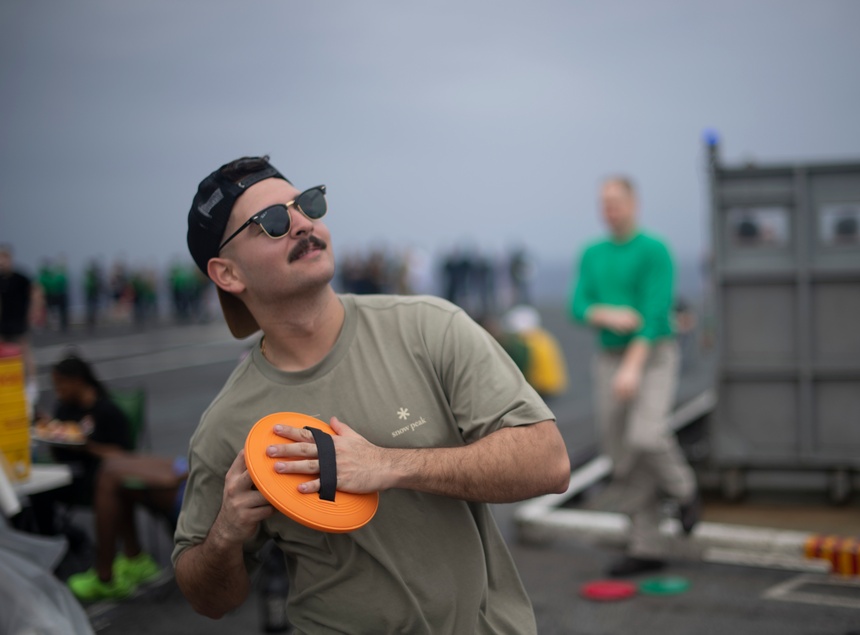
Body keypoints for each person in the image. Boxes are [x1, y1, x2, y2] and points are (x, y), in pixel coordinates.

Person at [175, 156, 570, 633]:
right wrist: (224, 537)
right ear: (228, 274)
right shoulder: (226, 424)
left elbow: (547, 462)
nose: (302, 223)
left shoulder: (428, 327)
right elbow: (207, 598)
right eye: (272, 223)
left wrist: (388, 464)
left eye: (307, 204)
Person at [569, 175, 700, 578]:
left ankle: (685, 491)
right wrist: (607, 313)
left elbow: (656, 315)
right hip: (609, 356)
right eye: (603, 202)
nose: (609, 209)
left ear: (634, 203)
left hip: (654, 353)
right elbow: (578, 304)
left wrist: (632, 367)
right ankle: (645, 546)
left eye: (615, 201)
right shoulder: (591, 252)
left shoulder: (655, 250)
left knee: (647, 435)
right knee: (622, 455)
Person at [29, 355, 135, 536]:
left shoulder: (107, 411)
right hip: (67, 473)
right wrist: (51, 429)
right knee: (35, 489)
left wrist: (88, 447)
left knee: (41, 494)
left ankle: (64, 539)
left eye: (61, 384)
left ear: (77, 381)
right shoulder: (64, 407)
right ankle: (60, 538)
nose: (58, 391)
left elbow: (124, 456)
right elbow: (57, 449)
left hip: (96, 478)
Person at [66, 454, 188, 601]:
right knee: (112, 466)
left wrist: (185, 475)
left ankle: (105, 578)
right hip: (194, 464)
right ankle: (135, 560)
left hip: (201, 481)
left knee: (110, 477)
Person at [0, 244, 37, 400]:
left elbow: (36, 291)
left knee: (25, 351)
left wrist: (33, 312)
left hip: (19, 320)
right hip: (3, 322)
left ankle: (32, 384)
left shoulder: (20, 278)